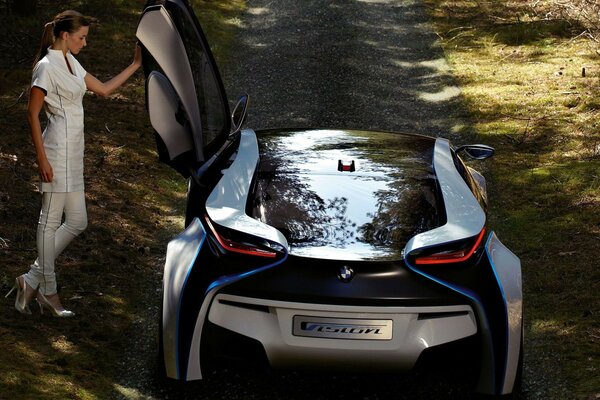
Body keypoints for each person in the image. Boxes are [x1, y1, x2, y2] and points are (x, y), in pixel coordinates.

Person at [5, 10, 142, 317]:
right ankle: (48, 291)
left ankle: (31, 279)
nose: (85, 43)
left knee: (78, 220)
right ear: (65, 35)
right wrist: (41, 158)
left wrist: (135, 64)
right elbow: (32, 114)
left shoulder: (70, 61)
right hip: (56, 151)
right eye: (82, 37)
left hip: (75, 151)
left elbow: (103, 89)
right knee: (50, 220)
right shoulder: (46, 67)